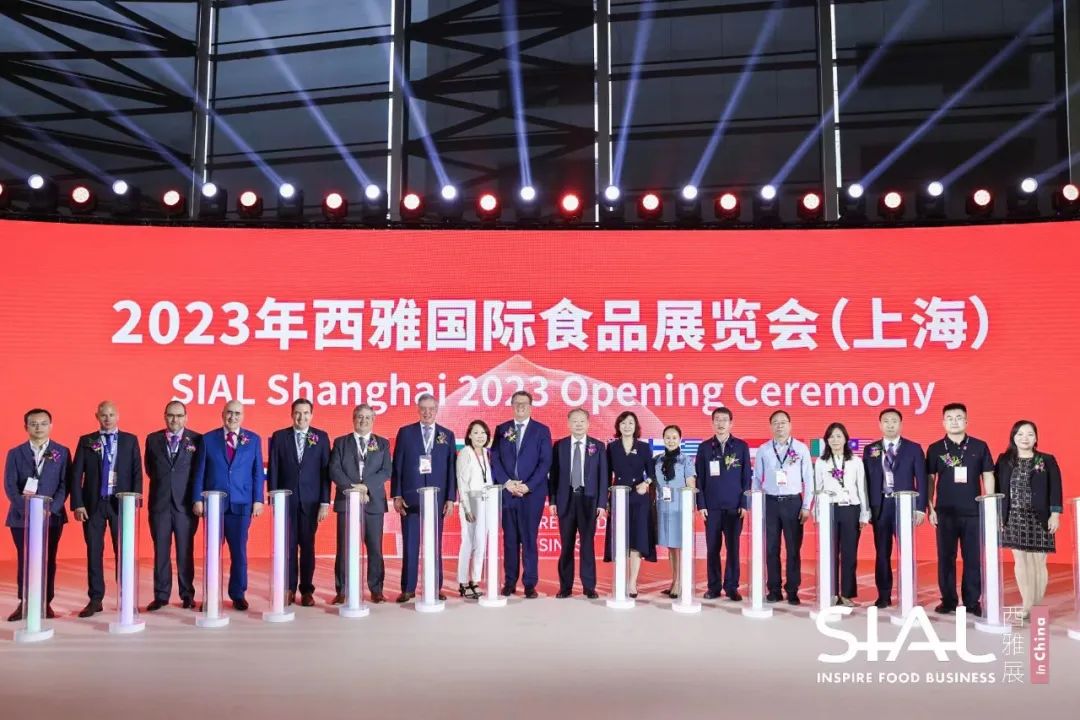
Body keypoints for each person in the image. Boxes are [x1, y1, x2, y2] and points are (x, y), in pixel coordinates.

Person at [69, 401, 142, 618]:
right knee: (94, 551)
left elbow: (137, 472)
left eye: (111, 414)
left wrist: (135, 501)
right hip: (93, 504)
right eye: (103, 415)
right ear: (97, 416)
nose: (107, 418)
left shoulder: (130, 440)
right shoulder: (87, 441)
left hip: (121, 504)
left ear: (118, 416)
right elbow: (76, 475)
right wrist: (78, 503)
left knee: (124, 552)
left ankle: (125, 597)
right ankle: (95, 598)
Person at [193, 400, 265, 611]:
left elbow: (257, 472)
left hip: (241, 504)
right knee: (212, 553)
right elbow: (200, 471)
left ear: (243, 416)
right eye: (229, 412)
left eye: (237, 413)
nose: (233, 417)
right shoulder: (208, 439)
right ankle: (210, 595)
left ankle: (238, 594)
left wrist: (258, 499)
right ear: (222, 414)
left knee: (239, 553)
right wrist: (197, 499)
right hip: (214, 505)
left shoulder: (253, 439)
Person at [926, 402, 994, 617]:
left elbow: (988, 475)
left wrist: (989, 503)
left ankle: (972, 601)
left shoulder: (979, 446)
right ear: (943, 422)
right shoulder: (935, 448)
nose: (954, 421)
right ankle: (948, 600)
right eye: (949, 418)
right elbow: (930, 479)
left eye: (958, 417)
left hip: (973, 511)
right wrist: (930, 507)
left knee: (973, 558)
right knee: (946, 558)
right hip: (945, 511)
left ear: (966, 421)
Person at [390, 393, 456, 603]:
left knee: (435, 545)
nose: (427, 413)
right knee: (410, 544)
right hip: (410, 498)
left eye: (431, 409)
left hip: (437, 499)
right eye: (423, 409)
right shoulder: (406, 433)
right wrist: (397, 494)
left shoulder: (447, 435)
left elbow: (451, 469)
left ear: (436, 410)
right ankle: (408, 588)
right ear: (418, 410)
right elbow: (397, 466)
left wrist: (450, 498)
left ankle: (435, 587)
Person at [4, 409, 68, 621]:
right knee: (25, 559)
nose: (38, 427)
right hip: (21, 517)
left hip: (51, 517)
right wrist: (27, 508)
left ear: (51, 426)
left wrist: (51, 508)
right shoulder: (15, 453)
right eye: (33, 424)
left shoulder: (61, 452)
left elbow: (64, 485)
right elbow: (10, 486)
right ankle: (24, 602)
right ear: (26, 427)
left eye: (43, 423)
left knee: (48, 559)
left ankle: (45, 603)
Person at [862, 408, 927, 608]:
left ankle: (908, 594)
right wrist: (866, 509)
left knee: (906, 552)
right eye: (886, 421)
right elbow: (865, 481)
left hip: (905, 506)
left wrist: (920, 508)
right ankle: (883, 596)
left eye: (894, 421)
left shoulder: (914, 448)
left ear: (901, 424)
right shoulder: (870, 449)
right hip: (880, 506)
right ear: (880, 424)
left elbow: (922, 480)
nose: (890, 424)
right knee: (882, 553)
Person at [267, 398, 330, 607]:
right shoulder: (279, 437)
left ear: (311, 415)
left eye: (305, 413)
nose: (301, 417)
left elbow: (325, 473)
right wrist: (274, 498)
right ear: (291, 414)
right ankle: (289, 589)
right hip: (286, 501)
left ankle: (307, 591)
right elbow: (274, 468)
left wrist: (324, 502)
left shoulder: (321, 437)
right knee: (288, 547)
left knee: (308, 547)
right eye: (297, 413)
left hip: (311, 502)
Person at [997, 420, 1062, 619]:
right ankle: (1027, 605)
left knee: (1038, 562)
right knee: (1021, 561)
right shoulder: (1004, 460)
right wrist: (999, 515)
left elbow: (1056, 488)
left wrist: (1055, 514)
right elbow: (998, 488)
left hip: (1040, 517)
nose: (1025, 438)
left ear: (1036, 438)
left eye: (1030, 434)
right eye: (1020, 434)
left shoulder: (1046, 460)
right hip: (1013, 516)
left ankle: (1037, 605)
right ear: (1013, 437)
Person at [490, 391, 552, 598]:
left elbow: (545, 462)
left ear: (531, 406)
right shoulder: (502, 429)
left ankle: (530, 584)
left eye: (524, 403)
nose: (520, 407)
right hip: (508, 493)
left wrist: (528, 486)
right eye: (516, 403)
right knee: (510, 540)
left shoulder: (541, 430)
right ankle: (509, 582)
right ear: (511, 406)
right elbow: (495, 458)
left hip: (531, 495)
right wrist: (507, 483)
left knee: (529, 539)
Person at [329, 404, 391, 604]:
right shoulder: (341, 442)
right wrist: (353, 489)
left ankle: (376, 589)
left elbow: (386, 471)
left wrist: (366, 487)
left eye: (367, 417)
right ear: (353, 419)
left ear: (373, 420)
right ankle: (342, 590)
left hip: (373, 502)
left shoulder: (382, 443)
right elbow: (334, 470)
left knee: (375, 548)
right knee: (344, 548)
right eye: (360, 417)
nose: (363, 421)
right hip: (346, 501)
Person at [144, 401, 202, 611]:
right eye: (170, 415)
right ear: (164, 416)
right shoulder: (152, 439)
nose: (174, 419)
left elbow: (199, 471)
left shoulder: (197, 439)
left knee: (185, 551)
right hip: (159, 504)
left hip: (185, 506)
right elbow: (150, 469)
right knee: (160, 551)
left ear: (186, 417)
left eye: (179, 415)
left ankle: (187, 594)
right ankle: (161, 596)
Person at [752, 410, 812, 605]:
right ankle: (774, 589)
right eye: (775, 423)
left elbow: (809, 480)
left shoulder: (801, 448)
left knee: (793, 549)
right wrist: (757, 503)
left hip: (793, 503)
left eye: (783, 422)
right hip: (770, 503)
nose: (779, 426)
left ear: (790, 425)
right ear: (771, 426)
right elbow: (756, 479)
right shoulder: (764, 450)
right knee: (771, 548)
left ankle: (792, 590)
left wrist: (806, 506)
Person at [549, 409, 609, 599]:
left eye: (582, 421)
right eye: (574, 421)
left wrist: (602, 503)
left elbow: (604, 477)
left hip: (588, 500)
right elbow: (553, 476)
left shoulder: (598, 446)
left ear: (588, 424)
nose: (578, 424)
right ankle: (565, 587)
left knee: (587, 545)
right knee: (566, 545)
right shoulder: (560, 446)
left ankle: (589, 586)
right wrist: (552, 501)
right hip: (565, 499)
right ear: (568, 424)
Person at [694, 407, 751, 601]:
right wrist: (701, 505)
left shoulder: (741, 446)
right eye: (717, 419)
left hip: (735, 507)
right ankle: (714, 587)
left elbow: (746, 477)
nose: (720, 423)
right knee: (712, 549)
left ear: (731, 423)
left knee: (733, 549)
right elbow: (699, 479)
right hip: (712, 508)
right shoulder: (704, 448)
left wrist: (744, 503)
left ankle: (732, 587)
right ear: (712, 423)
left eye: (724, 420)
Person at [813, 422, 869, 607]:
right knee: (829, 553)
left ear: (845, 439)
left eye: (838, 436)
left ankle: (846, 594)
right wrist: (817, 513)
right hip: (829, 509)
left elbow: (861, 488)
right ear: (826, 440)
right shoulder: (821, 462)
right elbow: (817, 488)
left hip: (850, 509)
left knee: (849, 553)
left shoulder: (855, 461)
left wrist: (864, 514)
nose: (835, 440)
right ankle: (830, 592)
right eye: (831, 437)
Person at [603, 411, 656, 598]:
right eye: (623, 423)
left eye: (631, 423)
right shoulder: (612, 447)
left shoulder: (644, 447)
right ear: (618, 426)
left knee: (637, 540)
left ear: (636, 426)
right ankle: (620, 579)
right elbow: (605, 475)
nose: (627, 426)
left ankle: (632, 582)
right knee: (620, 541)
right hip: (618, 496)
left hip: (639, 498)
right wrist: (606, 499)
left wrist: (646, 483)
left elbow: (652, 473)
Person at [654, 425, 696, 598]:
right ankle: (674, 580)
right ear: (663, 439)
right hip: (664, 508)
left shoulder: (686, 460)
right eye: (668, 437)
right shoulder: (657, 460)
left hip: (680, 508)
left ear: (680, 439)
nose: (671, 441)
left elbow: (691, 483)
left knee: (680, 546)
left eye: (674, 437)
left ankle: (680, 582)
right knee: (671, 547)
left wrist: (690, 505)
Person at [456, 420, 492, 599]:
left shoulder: (486, 453)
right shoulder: (465, 453)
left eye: (483, 433)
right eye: (476, 432)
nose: (480, 436)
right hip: (471, 501)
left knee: (481, 542)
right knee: (468, 542)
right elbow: (462, 482)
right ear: (469, 435)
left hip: (486, 501)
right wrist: (467, 507)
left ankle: (475, 579)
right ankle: (463, 581)